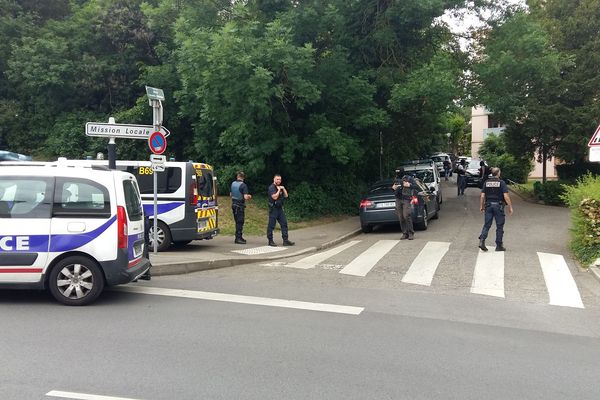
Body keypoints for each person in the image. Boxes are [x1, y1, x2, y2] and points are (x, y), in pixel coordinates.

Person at [478, 167, 514, 252]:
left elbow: (482, 196)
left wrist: (481, 206)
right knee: (499, 226)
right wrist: (510, 207)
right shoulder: (501, 183)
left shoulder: (486, 182)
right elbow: (505, 196)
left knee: (487, 225)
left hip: (488, 206)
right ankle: (499, 245)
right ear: (498, 173)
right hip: (499, 206)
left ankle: (482, 241)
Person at [266, 174, 294, 247]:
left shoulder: (280, 187)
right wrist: (278, 190)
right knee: (271, 225)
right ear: (274, 179)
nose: (279, 181)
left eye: (280, 179)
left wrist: (283, 189)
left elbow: (286, 196)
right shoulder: (271, 187)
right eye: (277, 179)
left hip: (280, 209)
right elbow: (274, 197)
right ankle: (270, 240)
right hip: (273, 209)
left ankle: (285, 240)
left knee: (284, 224)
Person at [392, 167, 418, 240]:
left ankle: (411, 233)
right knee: (401, 217)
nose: (397, 174)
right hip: (398, 199)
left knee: (406, 215)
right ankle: (404, 233)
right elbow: (393, 188)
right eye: (396, 172)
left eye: (399, 172)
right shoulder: (396, 179)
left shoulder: (409, 178)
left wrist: (409, 185)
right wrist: (393, 188)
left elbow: (416, 186)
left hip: (406, 199)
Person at [230, 171, 252, 244]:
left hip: (233, 205)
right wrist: (249, 196)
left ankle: (239, 236)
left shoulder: (233, 183)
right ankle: (238, 238)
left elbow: (230, 194)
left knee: (237, 221)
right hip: (239, 206)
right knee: (240, 222)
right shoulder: (243, 185)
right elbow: (245, 197)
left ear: (237, 177)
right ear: (243, 178)